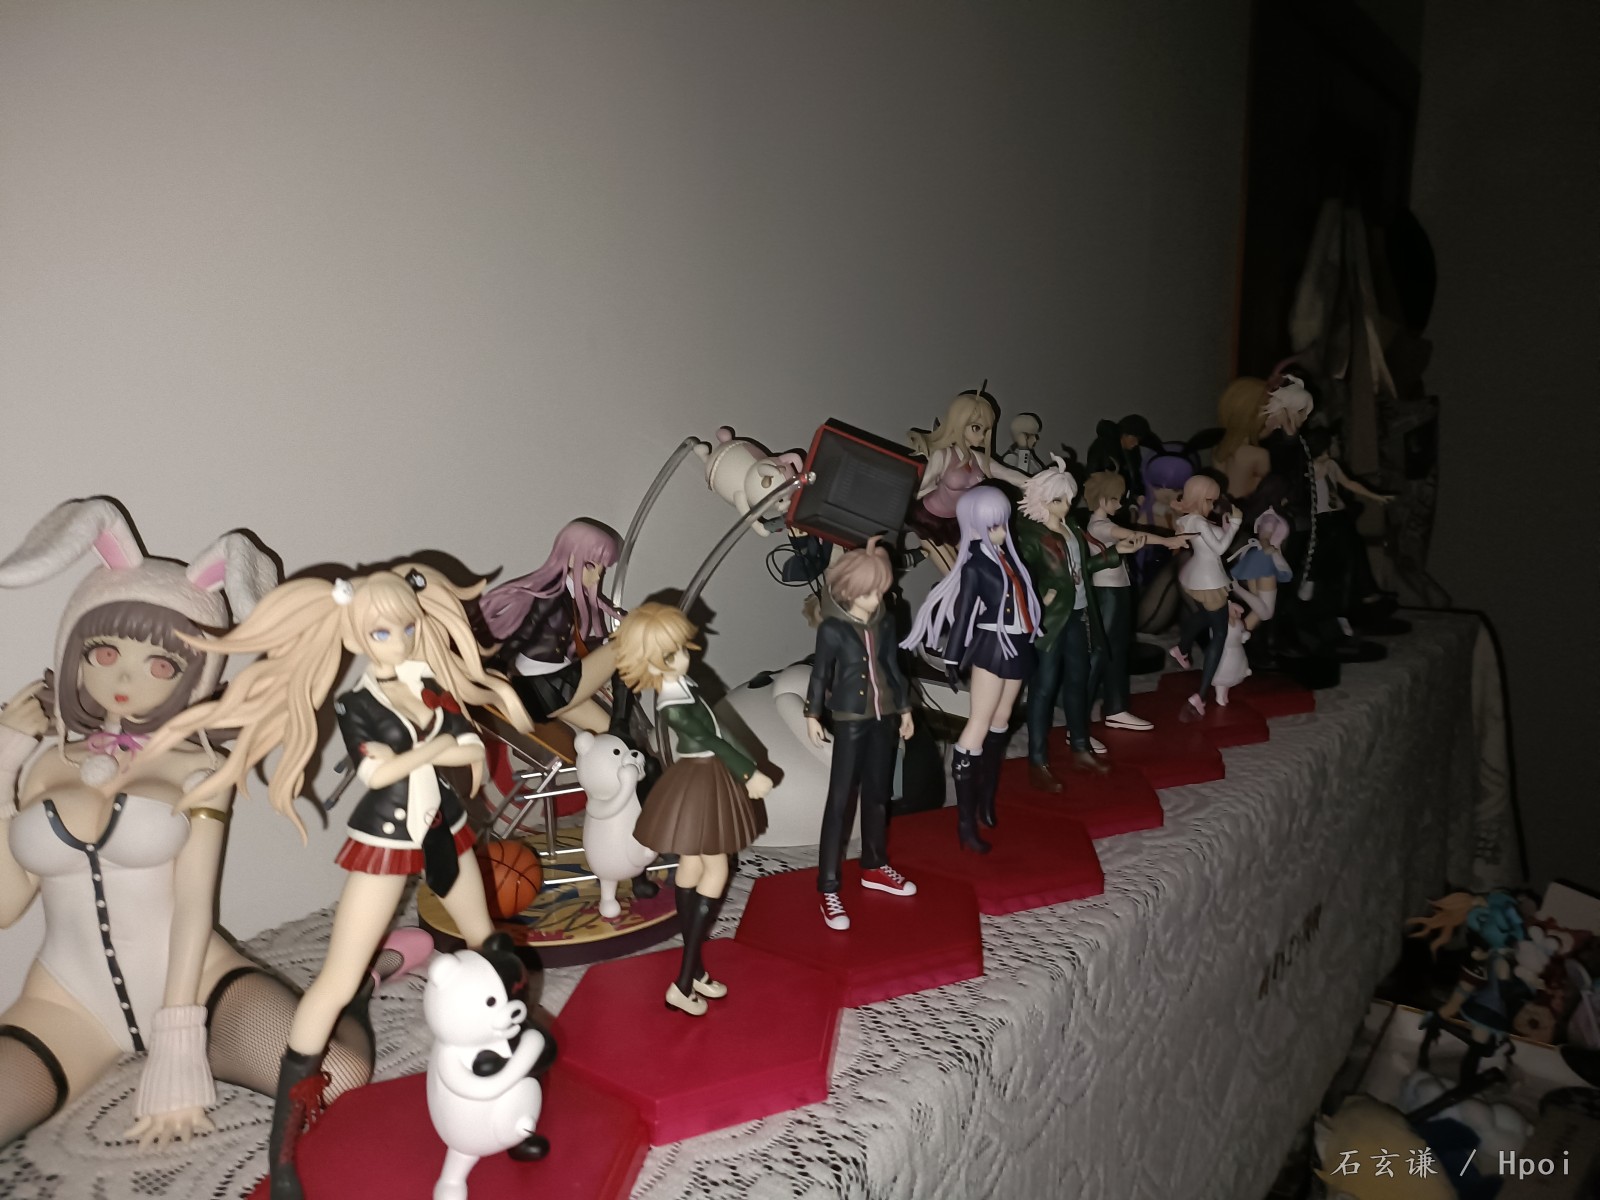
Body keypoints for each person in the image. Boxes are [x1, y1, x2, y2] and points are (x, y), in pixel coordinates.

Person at [139, 564, 539, 1199]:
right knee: (335, 982)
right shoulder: (360, 704)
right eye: (381, 633)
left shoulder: (429, 685)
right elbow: (379, 776)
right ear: (355, 637)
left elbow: (471, 753)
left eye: (406, 628)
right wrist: (434, 750)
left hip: (445, 830)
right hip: (386, 839)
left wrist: (429, 751)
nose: (399, 642)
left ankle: (507, 1103)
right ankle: (284, 1148)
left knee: (491, 947)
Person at [0, 499, 375, 1150]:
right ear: (75, 650)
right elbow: (6, 908)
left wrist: (179, 1038)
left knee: (339, 1076)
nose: (125, 677)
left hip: (201, 985)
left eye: (161, 664)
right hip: (63, 1006)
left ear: (196, 672)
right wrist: (5, 758)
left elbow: (196, 905)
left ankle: (359, 992)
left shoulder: (201, 766)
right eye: (106, 650)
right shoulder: (44, 766)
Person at [612, 603, 773, 1017]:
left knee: (693, 864)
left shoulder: (683, 687)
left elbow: (722, 731)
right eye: (671, 655)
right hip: (700, 777)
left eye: (683, 648)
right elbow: (711, 739)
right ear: (649, 662)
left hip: (704, 774)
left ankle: (695, 971)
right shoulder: (673, 704)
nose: (683, 658)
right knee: (716, 868)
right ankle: (683, 981)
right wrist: (748, 772)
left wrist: (748, 765)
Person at [901, 487, 1040, 854]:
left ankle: (985, 801)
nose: (1001, 531)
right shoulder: (976, 564)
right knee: (977, 724)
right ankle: (965, 822)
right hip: (992, 646)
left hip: (1017, 644)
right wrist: (952, 657)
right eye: (993, 525)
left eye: (1003, 523)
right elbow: (964, 615)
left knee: (1002, 718)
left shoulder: (1009, 557)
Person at [803, 537, 917, 932]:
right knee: (839, 800)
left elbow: (892, 666)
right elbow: (821, 674)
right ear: (849, 590)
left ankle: (874, 864)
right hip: (851, 718)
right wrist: (812, 713)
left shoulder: (885, 621)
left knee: (877, 795)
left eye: (880, 590)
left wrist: (904, 707)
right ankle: (827, 886)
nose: (876, 599)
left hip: (884, 716)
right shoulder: (832, 629)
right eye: (869, 592)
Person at [1015, 463, 1141, 793]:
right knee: (1043, 687)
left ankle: (1081, 747)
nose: (1066, 506)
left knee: (1078, 681)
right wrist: (1039, 597)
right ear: (1041, 500)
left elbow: (1081, 568)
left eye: (1069, 499)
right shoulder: (1031, 536)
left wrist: (1114, 553)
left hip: (1080, 613)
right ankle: (1037, 761)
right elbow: (1018, 576)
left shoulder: (1071, 527)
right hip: (1051, 620)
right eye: (1058, 500)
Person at [476, 518, 621, 732]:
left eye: (602, 571)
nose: (597, 577)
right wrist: (497, 669)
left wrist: (604, 642)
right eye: (591, 566)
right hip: (543, 686)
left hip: (552, 681)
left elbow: (568, 645)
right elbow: (523, 635)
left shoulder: (569, 598)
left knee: (610, 730)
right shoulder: (551, 597)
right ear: (572, 558)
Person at [905, 388, 1032, 572]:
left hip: (957, 523)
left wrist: (1041, 486)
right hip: (929, 521)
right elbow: (923, 488)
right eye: (976, 428)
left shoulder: (979, 459)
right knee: (954, 574)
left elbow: (1008, 474)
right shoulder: (943, 456)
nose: (981, 436)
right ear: (959, 423)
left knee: (976, 568)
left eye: (985, 430)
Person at [1167, 477, 1243, 718]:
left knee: (1205, 614)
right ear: (1201, 499)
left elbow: (1210, 541)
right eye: (1210, 500)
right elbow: (1219, 549)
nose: (1213, 505)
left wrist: (1225, 527)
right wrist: (1235, 525)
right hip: (1209, 581)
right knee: (1219, 634)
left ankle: (1181, 648)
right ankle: (1200, 695)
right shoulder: (1198, 521)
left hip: (1196, 577)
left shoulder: (1188, 519)